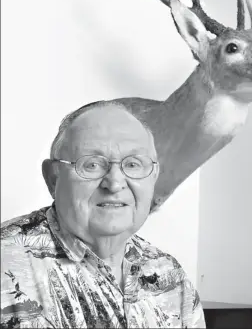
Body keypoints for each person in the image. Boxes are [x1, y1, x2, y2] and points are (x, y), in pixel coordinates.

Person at [1, 101, 206, 328]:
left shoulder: (170, 277)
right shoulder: (5, 264)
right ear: (53, 178)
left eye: (133, 164)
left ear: (153, 176)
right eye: (92, 165)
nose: (115, 183)